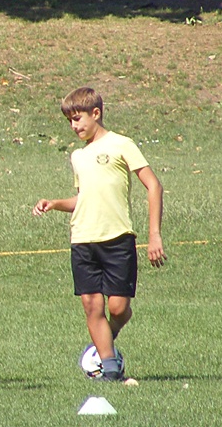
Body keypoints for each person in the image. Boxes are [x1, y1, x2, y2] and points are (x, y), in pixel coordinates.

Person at [31, 87, 165, 381]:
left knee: (118, 308)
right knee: (92, 306)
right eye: (69, 121)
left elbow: (154, 185)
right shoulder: (78, 156)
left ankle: (105, 340)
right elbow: (84, 198)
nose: (74, 126)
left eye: (78, 119)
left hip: (117, 238)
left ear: (96, 113)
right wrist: (54, 203)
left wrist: (154, 235)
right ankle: (110, 371)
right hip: (82, 239)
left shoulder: (121, 144)